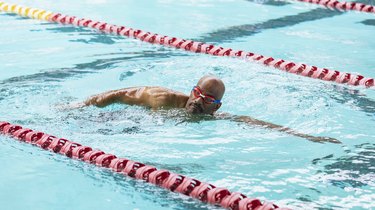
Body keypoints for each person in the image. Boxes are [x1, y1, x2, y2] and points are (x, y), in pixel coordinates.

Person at [81, 75, 340, 144]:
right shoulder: (162, 98)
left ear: (216, 107)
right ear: (192, 89)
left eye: (207, 98)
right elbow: (118, 94)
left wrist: (306, 137)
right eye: (197, 92)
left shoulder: (214, 119)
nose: (198, 100)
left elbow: (256, 123)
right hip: (121, 120)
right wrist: (81, 105)